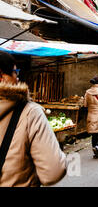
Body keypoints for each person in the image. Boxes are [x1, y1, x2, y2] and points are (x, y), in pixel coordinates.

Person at [0, 51, 66, 186]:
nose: (17, 78)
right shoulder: (30, 112)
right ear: (1, 76)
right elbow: (53, 172)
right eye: (15, 72)